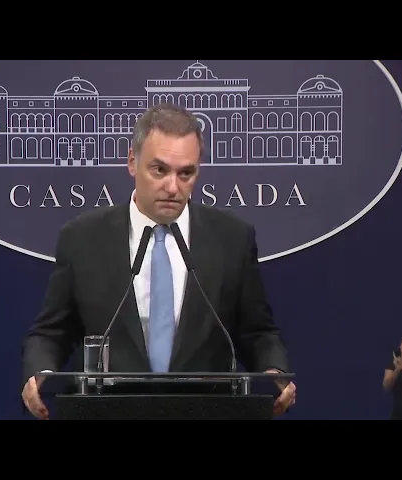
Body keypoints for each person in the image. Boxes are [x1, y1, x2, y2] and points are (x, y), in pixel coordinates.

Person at [21, 103, 296, 419]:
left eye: (186, 173)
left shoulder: (232, 238)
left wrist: (274, 371)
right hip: (109, 412)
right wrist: (41, 373)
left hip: (206, 412)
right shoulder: (82, 238)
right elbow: (51, 333)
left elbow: (258, 332)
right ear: (132, 162)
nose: (172, 187)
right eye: (159, 170)